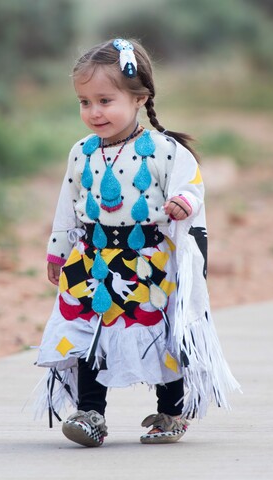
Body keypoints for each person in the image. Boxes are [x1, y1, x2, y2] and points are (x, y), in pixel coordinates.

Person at [34, 38, 240, 448]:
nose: (93, 112)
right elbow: (67, 205)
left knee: (162, 338)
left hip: (148, 261)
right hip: (91, 260)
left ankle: (172, 412)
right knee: (89, 336)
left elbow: (192, 185)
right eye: (84, 102)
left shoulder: (165, 151)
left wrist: (183, 202)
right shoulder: (81, 153)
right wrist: (58, 249)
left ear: (139, 97)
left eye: (105, 100)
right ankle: (90, 414)